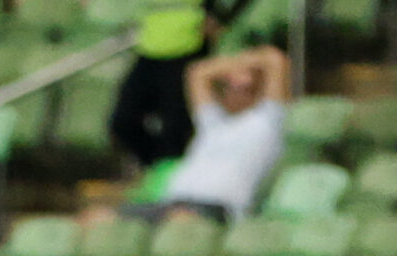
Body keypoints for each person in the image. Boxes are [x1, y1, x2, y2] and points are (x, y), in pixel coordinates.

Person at [122, 43, 288, 224]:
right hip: (172, 202)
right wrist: (238, 67)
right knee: (98, 217)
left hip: (218, 208)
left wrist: (244, 67)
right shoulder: (211, 123)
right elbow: (198, 72)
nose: (237, 89)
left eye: (247, 86)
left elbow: (276, 60)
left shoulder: (269, 120)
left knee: (179, 221)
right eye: (230, 86)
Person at [107, 0, 252, 174]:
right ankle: (160, 170)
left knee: (176, 128)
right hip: (150, 46)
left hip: (188, 47)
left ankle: (171, 176)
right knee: (123, 122)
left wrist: (221, 17)